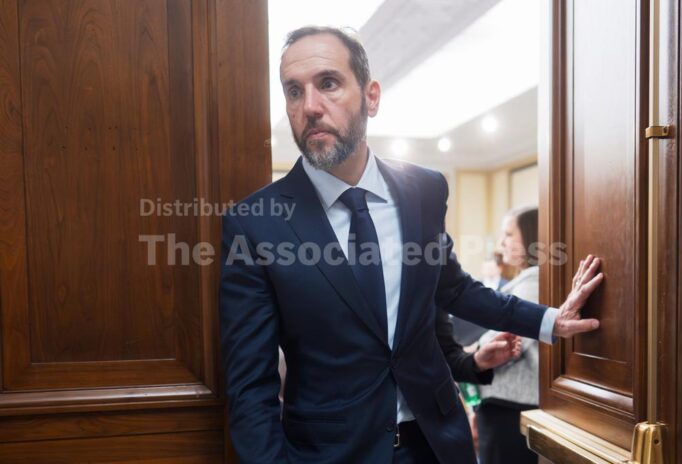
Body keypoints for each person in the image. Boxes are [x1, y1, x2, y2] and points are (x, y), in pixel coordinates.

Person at [218, 26, 603, 464]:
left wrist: (551, 320)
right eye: (293, 91)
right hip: (331, 453)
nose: (309, 106)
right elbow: (250, 386)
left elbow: (455, 289)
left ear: (371, 97)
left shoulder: (423, 189)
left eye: (328, 83)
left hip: (437, 445)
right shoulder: (255, 223)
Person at [474, 207, 542, 464]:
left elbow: (503, 341)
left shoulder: (534, 283)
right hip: (507, 402)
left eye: (509, 234)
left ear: (532, 236)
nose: (501, 243)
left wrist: (473, 349)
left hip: (512, 404)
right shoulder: (525, 281)